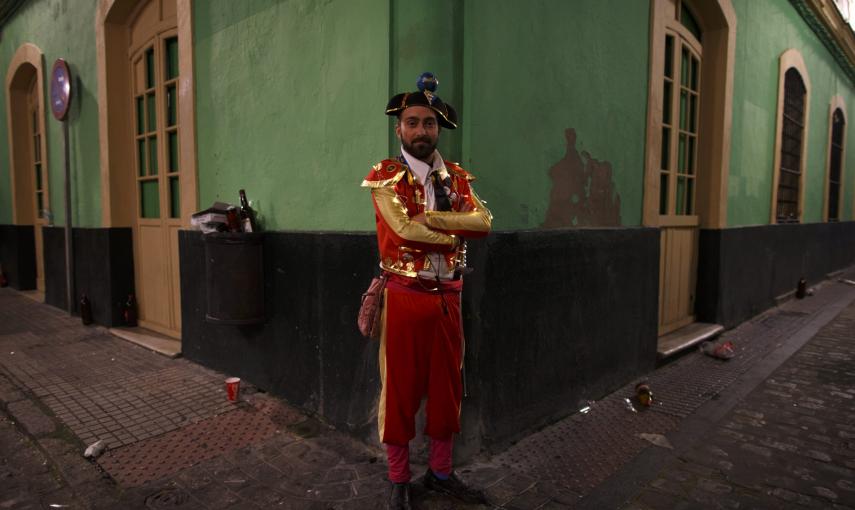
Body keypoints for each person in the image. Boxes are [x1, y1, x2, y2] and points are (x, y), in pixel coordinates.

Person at [361, 72, 492, 509]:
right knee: (399, 389)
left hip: (448, 298)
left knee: (446, 389)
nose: (421, 130)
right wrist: (456, 235)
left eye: (429, 123)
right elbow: (400, 230)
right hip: (404, 296)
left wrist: (432, 221)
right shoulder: (385, 175)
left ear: (440, 129)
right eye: (413, 122)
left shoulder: (456, 176)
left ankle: (440, 473)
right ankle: (399, 479)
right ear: (398, 128)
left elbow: (484, 224)